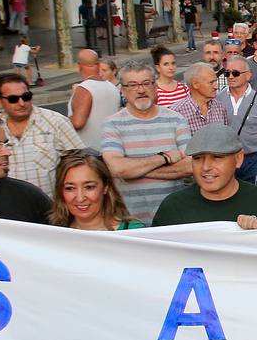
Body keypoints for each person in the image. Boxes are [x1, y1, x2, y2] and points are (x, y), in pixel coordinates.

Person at [99, 59, 192, 225]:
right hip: (130, 221)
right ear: (123, 91)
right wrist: (164, 158)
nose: (140, 90)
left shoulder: (177, 120)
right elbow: (116, 168)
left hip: (174, 218)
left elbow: (189, 166)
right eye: (133, 85)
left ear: (155, 87)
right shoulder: (112, 124)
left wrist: (134, 170)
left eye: (146, 83)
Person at [152, 124, 257, 229]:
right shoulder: (173, 207)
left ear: (238, 159)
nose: (206, 167)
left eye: (217, 157)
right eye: (198, 158)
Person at [0, 70, 85, 193]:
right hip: (8, 207)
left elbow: (81, 161)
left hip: (49, 207)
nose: (21, 103)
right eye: (13, 99)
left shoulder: (55, 122)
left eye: (26, 97)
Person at [49, 150, 143, 230]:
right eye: (70, 188)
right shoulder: (52, 235)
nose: (80, 198)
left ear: (105, 187)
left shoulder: (134, 232)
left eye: (89, 187)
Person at [223, 56, 257, 182]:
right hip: (226, 159)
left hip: (253, 160)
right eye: (227, 73)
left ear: (248, 75)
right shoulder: (218, 99)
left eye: (235, 73)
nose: (230, 77)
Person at [66, 49, 121, 150]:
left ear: (79, 65)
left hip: (89, 152)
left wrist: (61, 120)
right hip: (112, 148)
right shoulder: (112, 87)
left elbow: (78, 122)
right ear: (98, 64)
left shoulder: (84, 89)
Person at [172, 62, 230, 134]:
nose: (216, 87)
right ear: (196, 84)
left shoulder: (220, 108)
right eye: (211, 82)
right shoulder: (177, 112)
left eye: (216, 81)